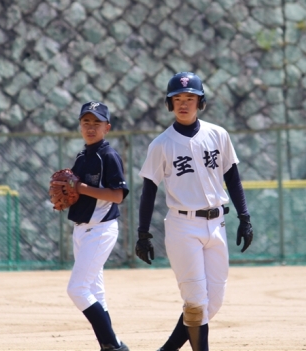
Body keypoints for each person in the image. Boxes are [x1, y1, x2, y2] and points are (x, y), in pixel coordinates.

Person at [135, 71, 254, 351]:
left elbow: (232, 177)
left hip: (217, 224)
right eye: (177, 99)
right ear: (169, 104)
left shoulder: (218, 134)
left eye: (190, 98)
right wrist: (143, 234)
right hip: (183, 227)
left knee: (213, 302)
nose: (183, 104)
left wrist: (245, 217)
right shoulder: (161, 144)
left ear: (200, 102)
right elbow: (149, 190)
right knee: (196, 302)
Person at [64, 101, 130, 351]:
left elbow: (118, 195)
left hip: (100, 229)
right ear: (80, 126)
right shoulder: (82, 156)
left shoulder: (108, 156)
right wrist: (67, 195)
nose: (91, 127)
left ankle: (114, 345)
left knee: (77, 289)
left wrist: (80, 188)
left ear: (107, 127)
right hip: (81, 229)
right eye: (86, 122)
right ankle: (109, 345)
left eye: (96, 123)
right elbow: (75, 191)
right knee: (95, 292)